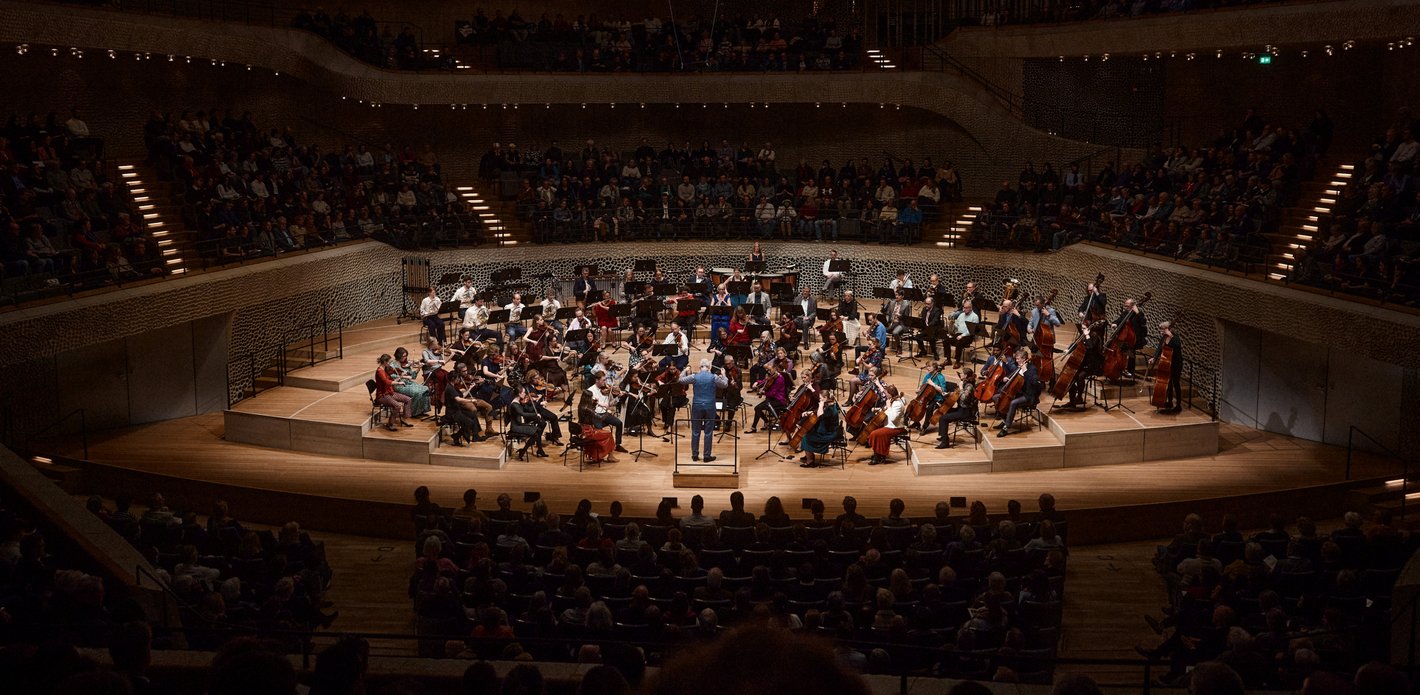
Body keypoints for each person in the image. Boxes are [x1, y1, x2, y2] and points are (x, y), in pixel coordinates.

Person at [680, 359, 730, 462]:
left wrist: (685, 370)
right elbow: (725, 384)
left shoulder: (694, 376)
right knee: (708, 432)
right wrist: (724, 374)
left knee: (695, 431)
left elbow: (681, 380)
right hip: (710, 406)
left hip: (697, 405)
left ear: (700, 367)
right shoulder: (713, 377)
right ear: (709, 367)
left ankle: (695, 455)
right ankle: (707, 456)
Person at [1062, 318, 1106, 408]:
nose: (1082, 330)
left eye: (1083, 328)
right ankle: (1072, 400)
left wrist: (1087, 336)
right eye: (1082, 328)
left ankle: (1079, 397)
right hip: (1082, 364)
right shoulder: (1082, 336)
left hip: (1092, 366)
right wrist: (1068, 350)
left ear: (1089, 329)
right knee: (1071, 376)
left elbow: (1090, 347)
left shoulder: (1095, 338)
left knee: (1080, 376)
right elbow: (1075, 344)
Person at [997, 348, 1040, 437]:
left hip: (1028, 395)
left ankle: (1006, 427)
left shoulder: (1032, 368)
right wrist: (1006, 378)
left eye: (1018, 359)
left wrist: (1025, 371)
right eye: (1016, 359)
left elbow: (1034, 383)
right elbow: (1014, 377)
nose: (1016, 361)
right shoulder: (1018, 367)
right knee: (996, 397)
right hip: (1018, 393)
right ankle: (1005, 421)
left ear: (1024, 358)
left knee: (1013, 403)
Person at [799, 387, 843, 468]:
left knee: (806, 437)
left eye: (820, 398)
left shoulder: (831, 409)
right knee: (807, 433)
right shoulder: (829, 405)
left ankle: (810, 460)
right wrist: (809, 412)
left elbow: (821, 415)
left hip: (828, 434)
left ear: (826, 398)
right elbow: (818, 413)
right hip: (826, 431)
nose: (819, 400)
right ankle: (809, 455)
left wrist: (821, 405)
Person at [936, 369, 979, 448]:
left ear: (965, 375)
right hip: (961, 409)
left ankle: (945, 442)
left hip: (966, 412)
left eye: (962, 373)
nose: (960, 374)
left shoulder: (969, 386)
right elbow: (957, 393)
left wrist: (961, 387)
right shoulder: (965, 383)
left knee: (943, 418)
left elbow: (964, 398)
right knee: (944, 411)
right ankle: (943, 436)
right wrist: (947, 394)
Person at [866, 384, 906, 465]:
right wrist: (878, 409)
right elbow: (887, 411)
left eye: (886, 393)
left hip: (895, 427)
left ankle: (878, 455)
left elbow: (893, 418)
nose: (885, 394)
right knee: (873, 430)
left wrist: (888, 407)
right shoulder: (893, 400)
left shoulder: (898, 404)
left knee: (875, 434)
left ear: (891, 394)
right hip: (889, 425)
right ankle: (879, 454)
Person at [1148, 320, 1183, 413]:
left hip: (1176, 363)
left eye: (1162, 329)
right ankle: (1170, 402)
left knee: (1176, 383)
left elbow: (1177, 345)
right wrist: (1154, 358)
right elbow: (1159, 348)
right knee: (1169, 383)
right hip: (1168, 363)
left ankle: (1179, 405)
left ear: (1167, 329)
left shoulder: (1175, 337)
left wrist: (1170, 335)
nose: (1161, 331)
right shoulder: (1164, 337)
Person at [588, 373, 629, 452]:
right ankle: (600, 449)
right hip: (595, 415)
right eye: (603, 380)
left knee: (619, 423)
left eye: (605, 379)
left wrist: (618, 397)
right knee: (599, 431)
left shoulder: (606, 390)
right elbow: (591, 405)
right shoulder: (591, 391)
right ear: (597, 380)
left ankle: (618, 444)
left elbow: (610, 404)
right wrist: (600, 404)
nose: (605, 382)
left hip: (605, 414)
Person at [374, 354, 414, 431]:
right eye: (389, 362)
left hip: (389, 392)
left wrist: (399, 377)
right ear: (385, 362)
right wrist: (399, 383)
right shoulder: (380, 371)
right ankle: (390, 424)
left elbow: (390, 379)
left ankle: (404, 419)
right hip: (382, 395)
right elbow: (386, 382)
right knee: (397, 406)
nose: (390, 364)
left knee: (408, 399)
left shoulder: (385, 369)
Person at [508, 388, 552, 459]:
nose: (525, 394)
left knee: (538, 430)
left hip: (519, 424)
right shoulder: (514, 404)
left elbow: (525, 409)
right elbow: (523, 413)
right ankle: (524, 450)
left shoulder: (518, 402)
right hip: (516, 427)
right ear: (519, 394)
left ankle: (538, 450)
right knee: (536, 432)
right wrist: (535, 414)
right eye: (523, 393)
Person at [747, 360, 789, 434]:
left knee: (758, 408)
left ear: (775, 368)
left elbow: (773, 393)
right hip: (771, 399)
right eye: (767, 370)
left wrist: (763, 392)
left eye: (769, 370)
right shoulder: (771, 375)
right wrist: (757, 382)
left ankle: (754, 427)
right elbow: (764, 381)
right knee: (758, 408)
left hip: (778, 400)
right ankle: (766, 423)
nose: (768, 371)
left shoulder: (780, 378)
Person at [946, 300, 980, 368]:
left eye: (966, 308)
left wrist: (962, 335)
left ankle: (957, 361)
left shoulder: (975, 317)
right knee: (946, 340)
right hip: (958, 334)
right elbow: (957, 324)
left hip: (968, 336)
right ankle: (948, 359)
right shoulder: (961, 315)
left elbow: (971, 331)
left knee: (959, 342)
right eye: (964, 307)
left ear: (971, 308)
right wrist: (952, 325)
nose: (964, 309)